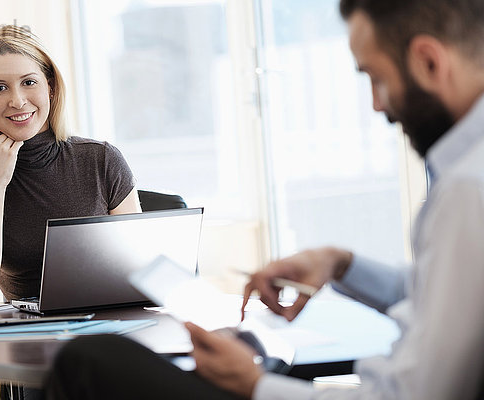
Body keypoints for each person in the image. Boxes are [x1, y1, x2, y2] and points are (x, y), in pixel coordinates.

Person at [45, 0, 484, 399]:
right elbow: (445, 297)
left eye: (377, 78)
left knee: (89, 363)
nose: (376, 106)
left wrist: (256, 385)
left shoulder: (466, 188)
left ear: (428, 62)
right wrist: (341, 264)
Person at [0, 25, 141, 307]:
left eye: (29, 82)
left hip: (103, 325)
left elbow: (139, 270)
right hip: (25, 337)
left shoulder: (101, 159)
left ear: (50, 86)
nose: (17, 100)